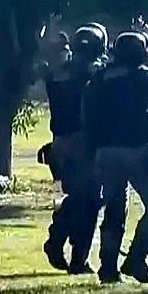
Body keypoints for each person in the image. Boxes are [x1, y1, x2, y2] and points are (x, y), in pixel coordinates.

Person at [81, 31, 148, 284]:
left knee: (115, 208)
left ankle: (108, 267)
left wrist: (93, 149)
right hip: (139, 151)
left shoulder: (99, 79)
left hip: (105, 153)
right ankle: (136, 258)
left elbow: (86, 115)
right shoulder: (146, 77)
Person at [43, 23, 108, 275]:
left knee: (69, 197)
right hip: (84, 144)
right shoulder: (93, 74)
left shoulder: (58, 74)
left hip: (58, 144)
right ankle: (77, 257)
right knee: (90, 200)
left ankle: (57, 240)